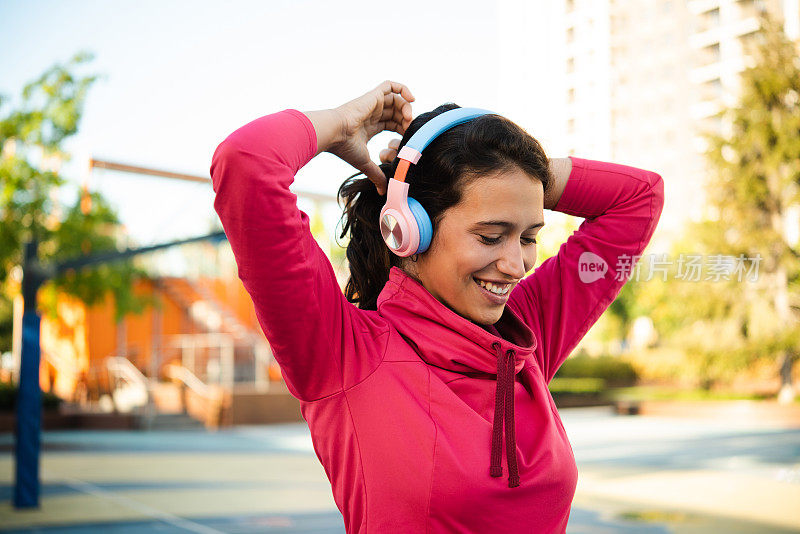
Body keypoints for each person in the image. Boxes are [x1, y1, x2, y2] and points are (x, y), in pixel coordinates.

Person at [210, 80, 664, 533]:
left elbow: (638, 199)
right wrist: (341, 124)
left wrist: (516, 170)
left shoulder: (526, 337)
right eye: (490, 236)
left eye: (528, 238)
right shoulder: (344, 354)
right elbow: (247, 162)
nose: (516, 265)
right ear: (409, 228)